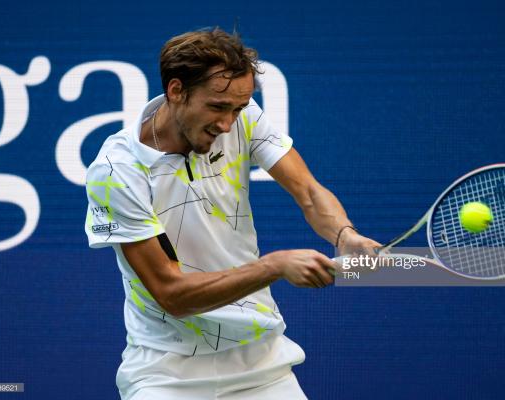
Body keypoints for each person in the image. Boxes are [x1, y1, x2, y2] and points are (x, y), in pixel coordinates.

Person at [84, 27, 380, 400]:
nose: (227, 124)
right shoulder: (116, 172)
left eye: (236, 109)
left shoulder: (242, 115)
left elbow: (307, 190)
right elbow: (172, 295)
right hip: (166, 371)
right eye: (217, 107)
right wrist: (274, 266)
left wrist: (344, 235)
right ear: (176, 91)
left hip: (261, 362)